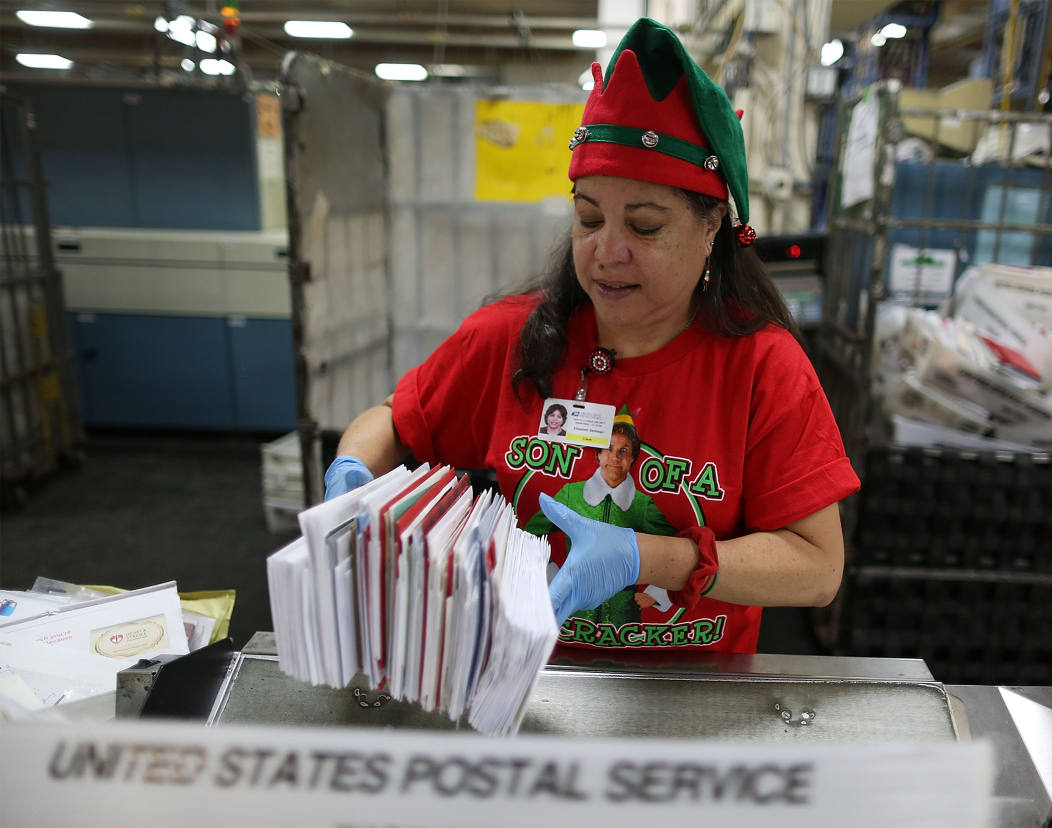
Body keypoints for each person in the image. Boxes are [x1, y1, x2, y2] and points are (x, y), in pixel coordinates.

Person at [325, 17, 860, 654]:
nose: (607, 251)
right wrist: (354, 470)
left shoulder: (760, 367)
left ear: (712, 224)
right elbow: (393, 420)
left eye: (644, 225)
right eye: (588, 218)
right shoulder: (511, 341)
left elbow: (818, 569)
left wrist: (653, 558)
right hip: (525, 685)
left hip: (691, 701)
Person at [525, 407, 677, 628]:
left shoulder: (643, 504)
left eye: (624, 450)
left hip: (624, 622)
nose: (615, 457)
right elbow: (530, 534)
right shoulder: (571, 494)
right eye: (609, 449)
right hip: (571, 616)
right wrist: (551, 576)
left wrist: (656, 594)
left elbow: (677, 550)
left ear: (633, 458)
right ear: (598, 454)